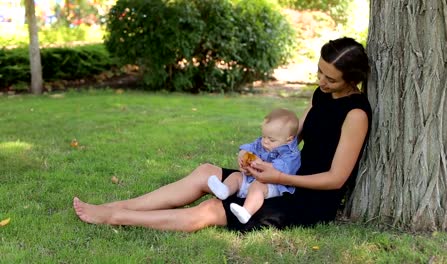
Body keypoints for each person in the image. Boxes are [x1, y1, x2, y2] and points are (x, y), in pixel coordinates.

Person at [73, 37, 372, 232]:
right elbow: (292, 139)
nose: (321, 80)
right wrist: (254, 160)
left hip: (309, 199)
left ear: (352, 79)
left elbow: (336, 179)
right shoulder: (321, 95)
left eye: (330, 78)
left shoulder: (356, 113)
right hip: (281, 177)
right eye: (319, 72)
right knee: (206, 171)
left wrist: (278, 178)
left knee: (210, 209)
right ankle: (119, 206)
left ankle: (116, 217)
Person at [208, 108, 301, 224]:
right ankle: (224, 190)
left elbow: (279, 169)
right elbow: (248, 147)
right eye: (264, 136)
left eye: (271, 139)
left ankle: (246, 212)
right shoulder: (263, 142)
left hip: (273, 186)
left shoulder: (291, 155)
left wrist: (258, 164)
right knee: (236, 175)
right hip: (253, 178)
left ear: (289, 139)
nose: (265, 141)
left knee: (258, 186)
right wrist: (244, 156)